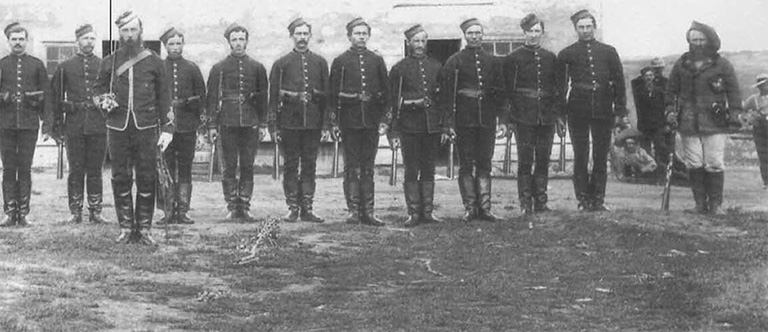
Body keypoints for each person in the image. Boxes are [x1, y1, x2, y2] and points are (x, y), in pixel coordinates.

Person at [93, 11, 174, 244]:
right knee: (120, 176)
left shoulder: (155, 62)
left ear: (141, 32)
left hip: (146, 127)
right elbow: (97, 90)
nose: (129, 35)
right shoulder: (110, 61)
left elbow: (165, 98)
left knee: (147, 176)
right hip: (117, 127)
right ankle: (126, 228)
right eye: (125, 31)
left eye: (133, 30)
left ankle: (145, 229)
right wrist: (102, 101)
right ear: (119, 33)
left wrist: (168, 129)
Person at [665, 21, 741, 215]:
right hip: (688, 121)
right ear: (689, 41)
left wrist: (734, 115)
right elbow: (671, 90)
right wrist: (670, 111)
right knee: (694, 162)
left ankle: (716, 205)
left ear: (709, 41)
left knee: (714, 162)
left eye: (701, 39)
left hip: (714, 121)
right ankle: (700, 204)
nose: (697, 43)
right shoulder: (682, 64)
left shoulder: (721, 64)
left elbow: (733, 92)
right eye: (694, 40)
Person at [557, 10, 629, 212]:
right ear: (575, 29)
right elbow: (561, 86)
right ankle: (583, 199)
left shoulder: (608, 51)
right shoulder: (566, 54)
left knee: (600, 154)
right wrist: (560, 114)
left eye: (589, 26)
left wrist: (620, 110)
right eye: (581, 27)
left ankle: (598, 199)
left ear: (594, 27)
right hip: (577, 108)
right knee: (581, 155)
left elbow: (619, 82)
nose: (585, 31)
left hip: (603, 108)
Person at [440, 18, 508, 222]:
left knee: (485, 163)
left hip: (487, 119)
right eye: (471, 33)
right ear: (465, 35)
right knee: (467, 164)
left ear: (483, 34)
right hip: (464, 119)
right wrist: (448, 123)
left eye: (478, 32)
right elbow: (446, 95)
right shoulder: (455, 61)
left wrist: (503, 120)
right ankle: (470, 207)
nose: (475, 36)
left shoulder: (494, 61)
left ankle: (485, 208)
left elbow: (501, 93)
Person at [329, 17, 390, 227]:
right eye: (357, 33)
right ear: (349, 36)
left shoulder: (376, 60)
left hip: (371, 122)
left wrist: (384, 120)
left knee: (368, 168)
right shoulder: (340, 62)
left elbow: (387, 94)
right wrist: (334, 123)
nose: (361, 37)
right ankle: (353, 211)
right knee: (351, 167)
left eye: (364, 33)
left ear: (369, 36)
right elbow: (332, 95)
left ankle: (369, 211)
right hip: (349, 122)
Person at [205, 23, 269, 222]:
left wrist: (264, 124)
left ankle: (245, 206)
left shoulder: (257, 67)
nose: (238, 43)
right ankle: (232, 206)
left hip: (250, 123)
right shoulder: (219, 68)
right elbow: (212, 99)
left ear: (247, 41)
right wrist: (212, 126)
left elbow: (263, 97)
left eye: (242, 39)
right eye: (234, 39)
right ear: (229, 42)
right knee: (229, 166)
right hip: (227, 122)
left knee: (248, 166)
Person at [268, 18, 329, 223]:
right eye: (298, 34)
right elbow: (273, 97)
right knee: (291, 165)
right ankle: (293, 208)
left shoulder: (320, 63)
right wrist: (274, 126)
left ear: (310, 36)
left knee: (310, 165)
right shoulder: (281, 64)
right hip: (289, 123)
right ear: (291, 36)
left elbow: (326, 96)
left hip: (312, 123)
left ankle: (308, 208)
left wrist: (326, 124)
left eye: (305, 34)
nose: (302, 38)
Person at [50, 24, 110, 224]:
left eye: (92, 38)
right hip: (74, 124)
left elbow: (111, 94)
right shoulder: (65, 67)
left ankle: (95, 210)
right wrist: (56, 127)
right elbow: (56, 98)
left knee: (95, 169)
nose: (89, 42)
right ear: (77, 41)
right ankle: (75, 211)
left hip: (98, 124)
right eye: (85, 39)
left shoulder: (104, 65)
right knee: (76, 169)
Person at [387, 24, 445, 227]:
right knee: (411, 169)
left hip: (431, 127)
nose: (420, 45)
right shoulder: (399, 69)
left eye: (423, 41)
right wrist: (393, 131)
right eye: (416, 41)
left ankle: (427, 212)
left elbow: (443, 99)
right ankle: (413, 212)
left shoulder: (437, 67)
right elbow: (393, 102)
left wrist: (444, 126)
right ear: (408, 43)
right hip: (409, 127)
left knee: (429, 169)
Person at [503, 14, 562, 215]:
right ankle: (525, 203)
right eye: (530, 31)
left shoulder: (550, 58)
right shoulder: (514, 58)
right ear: (524, 32)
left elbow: (557, 89)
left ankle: (541, 201)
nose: (534, 35)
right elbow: (508, 91)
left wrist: (558, 115)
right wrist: (509, 119)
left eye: (538, 31)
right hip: (523, 116)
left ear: (542, 33)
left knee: (544, 158)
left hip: (546, 116)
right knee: (525, 159)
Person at [0, 22, 52, 227]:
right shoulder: (1, 64)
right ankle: (9, 212)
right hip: (5, 125)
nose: (18, 43)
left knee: (25, 168)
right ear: (8, 42)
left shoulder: (37, 64)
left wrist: (47, 125)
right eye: (14, 39)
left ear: (26, 41)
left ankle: (23, 213)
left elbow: (46, 96)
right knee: (8, 168)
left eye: (21, 39)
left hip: (29, 125)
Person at [154, 27, 206, 225]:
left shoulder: (192, 68)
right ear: (165, 46)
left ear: (183, 44)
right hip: (165, 127)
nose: (175, 47)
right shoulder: (158, 67)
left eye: (178, 43)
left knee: (185, 168)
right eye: (171, 44)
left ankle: (183, 211)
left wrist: (201, 128)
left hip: (187, 126)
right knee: (164, 168)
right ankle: (167, 211)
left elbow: (202, 97)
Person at [631, 63, 672, 174]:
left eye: (651, 75)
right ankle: (648, 172)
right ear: (643, 78)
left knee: (660, 147)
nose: (649, 78)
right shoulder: (639, 92)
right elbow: (639, 109)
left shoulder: (660, 92)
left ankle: (661, 171)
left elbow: (663, 108)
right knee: (645, 149)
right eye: (646, 76)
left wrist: (665, 124)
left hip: (658, 125)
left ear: (654, 77)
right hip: (644, 125)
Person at [743, 74, 768, 189]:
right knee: (763, 156)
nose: (764, 87)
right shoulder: (753, 99)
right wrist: (750, 119)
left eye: (765, 84)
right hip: (760, 130)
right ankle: (766, 181)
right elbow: (743, 112)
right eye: (761, 86)